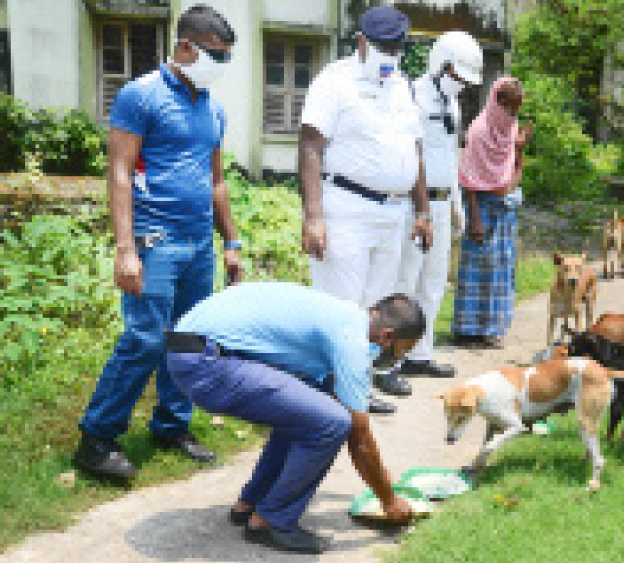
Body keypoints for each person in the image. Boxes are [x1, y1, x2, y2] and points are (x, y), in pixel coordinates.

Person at [75, 4, 242, 480]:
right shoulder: (140, 96)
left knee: (188, 340)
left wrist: (231, 242)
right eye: (216, 55)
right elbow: (120, 173)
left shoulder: (212, 105)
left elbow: (217, 181)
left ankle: (170, 425)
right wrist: (125, 249)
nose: (221, 66)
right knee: (146, 339)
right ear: (185, 46)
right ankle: (97, 437)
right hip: (155, 240)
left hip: (197, 244)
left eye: (228, 57)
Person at [166, 283, 420, 553]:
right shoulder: (351, 340)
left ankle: (252, 502)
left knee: (311, 409)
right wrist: (389, 500)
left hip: (194, 350)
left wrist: (380, 475)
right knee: (332, 423)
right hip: (207, 363)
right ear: (386, 336)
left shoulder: (345, 315)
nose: (393, 359)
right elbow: (359, 438)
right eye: (399, 352)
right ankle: (271, 521)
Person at [299, 6, 431, 407]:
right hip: (347, 208)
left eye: (397, 47)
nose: (390, 54)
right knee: (341, 307)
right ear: (361, 41)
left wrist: (422, 210)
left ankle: (356, 388)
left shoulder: (403, 86)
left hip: (392, 214)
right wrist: (313, 216)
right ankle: (326, 392)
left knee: (377, 311)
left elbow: (415, 149)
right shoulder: (335, 81)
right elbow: (309, 146)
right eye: (383, 46)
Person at [392, 31, 483, 378]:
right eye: (458, 76)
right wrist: (421, 210)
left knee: (434, 282)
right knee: (408, 280)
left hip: (444, 202)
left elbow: (449, 154)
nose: (461, 84)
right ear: (442, 66)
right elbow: (411, 155)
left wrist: (457, 201)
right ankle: (394, 359)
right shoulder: (413, 95)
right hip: (418, 205)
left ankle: (421, 353)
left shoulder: (453, 103)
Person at [451, 78, 533, 349]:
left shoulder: (508, 131)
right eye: (507, 107)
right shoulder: (478, 131)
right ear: (495, 102)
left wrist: (519, 150)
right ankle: (466, 330)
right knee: (476, 269)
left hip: (505, 209)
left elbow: (510, 174)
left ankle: (490, 328)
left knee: (500, 271)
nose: (511, 115)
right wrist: (473, 218)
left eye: (515, 109)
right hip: (481, 208)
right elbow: (469, 177)